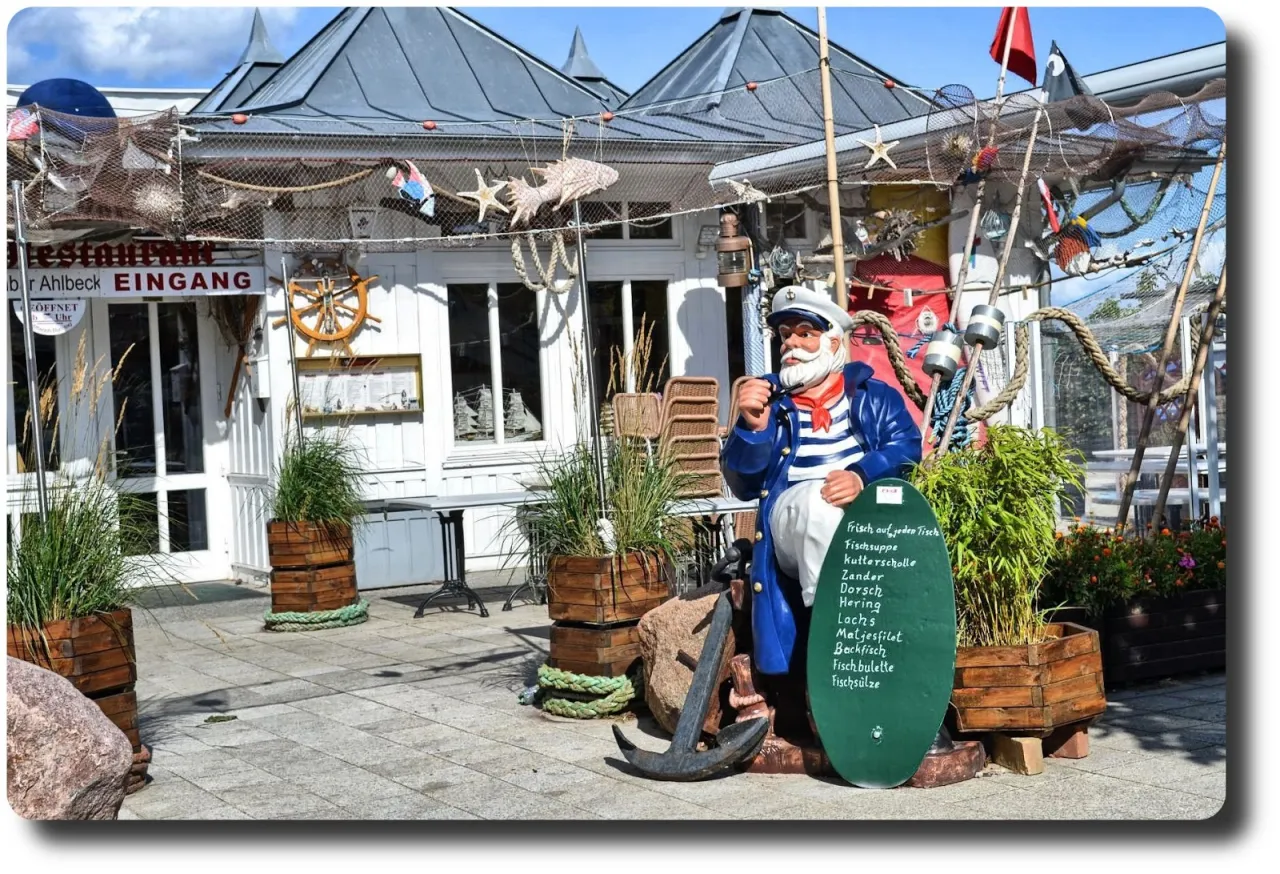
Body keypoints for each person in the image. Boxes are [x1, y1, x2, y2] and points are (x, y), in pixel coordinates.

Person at [722, 285, 923, 677]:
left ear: (833, 343)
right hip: (793, 523)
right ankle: (835, 643)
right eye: (785, 336)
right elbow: (743, 486)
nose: (790, 345)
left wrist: (863, 475)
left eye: (804, 333)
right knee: (819, 503)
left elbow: (907, 447)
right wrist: (754, 430)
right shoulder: (771, 405)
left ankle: (897, 670)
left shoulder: (872, 396)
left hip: (866, 521)